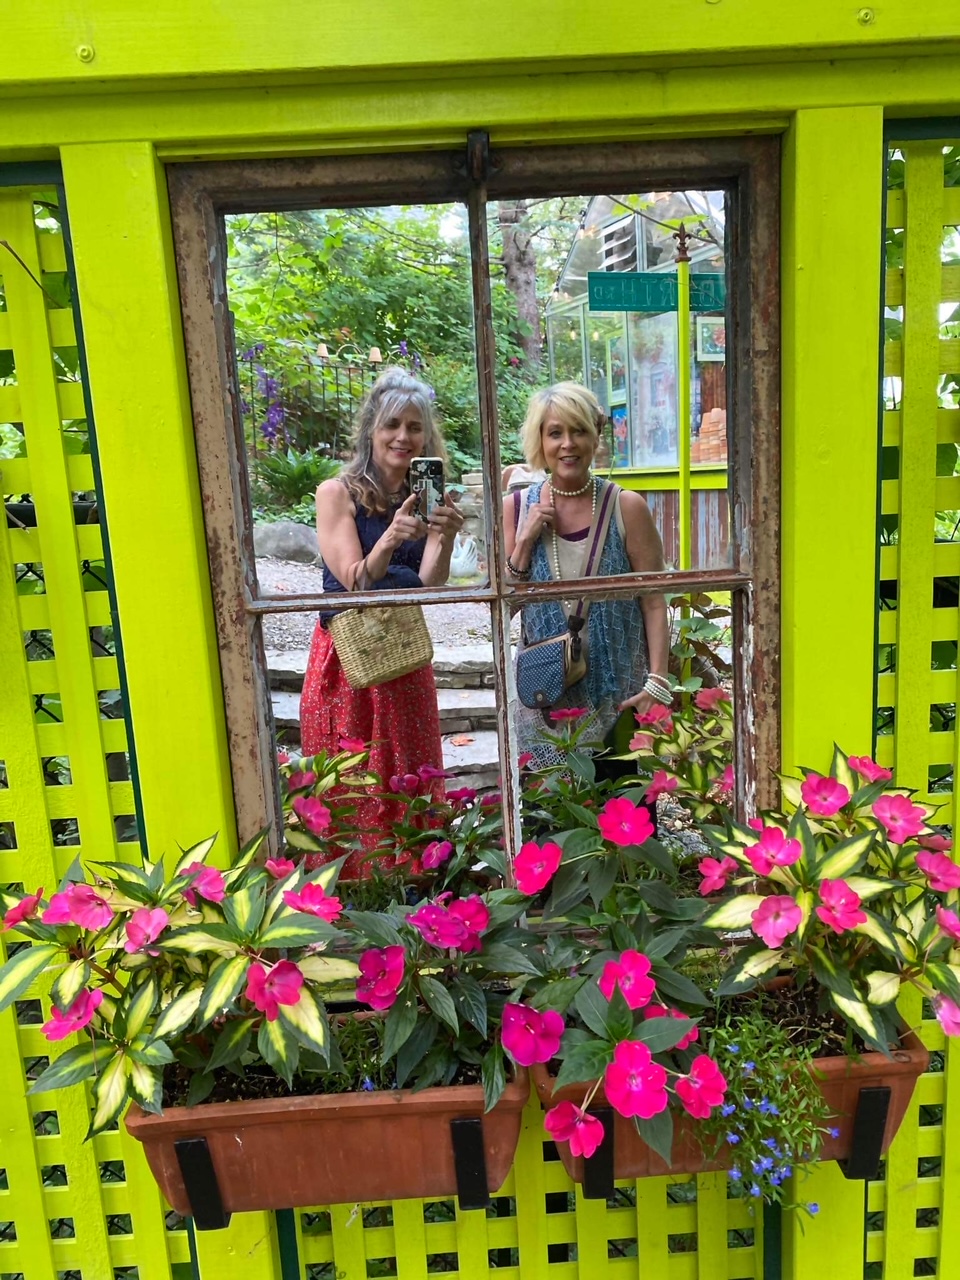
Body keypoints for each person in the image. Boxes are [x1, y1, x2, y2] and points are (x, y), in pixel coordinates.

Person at [300, 367, 464, 874]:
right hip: (346, 657)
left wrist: (446, 535)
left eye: (415, 427)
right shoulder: (337, 493)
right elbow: (353, 580)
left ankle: (412, 880)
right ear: (371, 429)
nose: (403, 437)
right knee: (350, 770)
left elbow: (430, 586)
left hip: (402, 650)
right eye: (392, 424)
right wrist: (392, 536)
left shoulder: (430, 494)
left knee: (408, 766)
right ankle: (350, 884)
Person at [504, 381, 670, 777]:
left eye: (578, 431)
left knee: (628, 825)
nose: (568, 444)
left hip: (622, 695)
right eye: (555, 432)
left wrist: (657, 684)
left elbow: (653, 600)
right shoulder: (516, 508)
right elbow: (507, 605)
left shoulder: (625, 507)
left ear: (595, 437)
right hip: (548, 701)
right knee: (554, 828)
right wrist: (525, 540)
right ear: (539, 441)